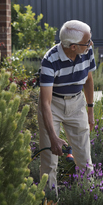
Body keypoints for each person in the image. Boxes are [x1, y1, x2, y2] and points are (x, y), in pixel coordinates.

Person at [38, 20, 96, 189]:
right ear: (73, 46)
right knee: (49, 163)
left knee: (85, 160)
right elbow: (45, 103)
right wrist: (53, 137)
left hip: (77, 103)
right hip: (53, 105)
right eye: (87, 42)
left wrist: (90, 111)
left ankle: (87, 201)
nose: (90, 44)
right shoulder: (49, 61)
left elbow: (89, 80)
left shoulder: (87, 51)